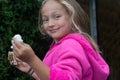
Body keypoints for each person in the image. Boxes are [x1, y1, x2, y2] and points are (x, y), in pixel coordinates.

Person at [11, 0, 110, 80]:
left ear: (72, 18)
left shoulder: (70, 45)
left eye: (57, 17)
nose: (50, 24)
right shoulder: (60, 45)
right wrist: (31, 69)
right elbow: (51, 76)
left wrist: (32, 59)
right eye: (46, 19)